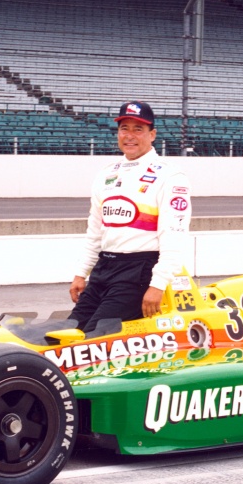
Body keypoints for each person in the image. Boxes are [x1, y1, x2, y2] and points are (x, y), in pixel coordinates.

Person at [67, 101, 192, 334]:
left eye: (138, 129)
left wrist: (158, 285)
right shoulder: (107, 174)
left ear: (152, 134)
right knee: (67, 332)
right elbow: (95, 232)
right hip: (104, 268)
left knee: (93, 339)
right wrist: (81, 273)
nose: (130, 136)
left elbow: (174, 236)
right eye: (124, 128)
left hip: (140, 271)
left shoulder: (171, 176)